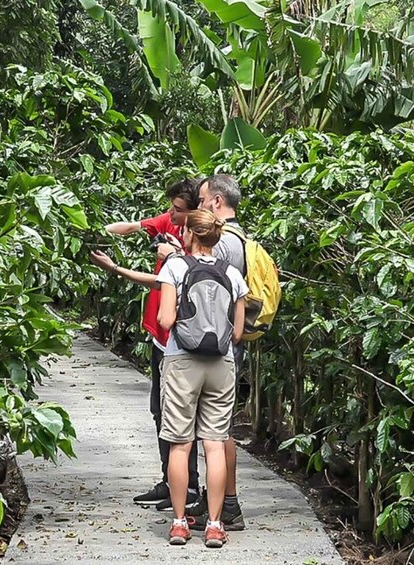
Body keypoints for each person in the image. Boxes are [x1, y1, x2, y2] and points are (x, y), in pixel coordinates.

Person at [94, 179, 202, 509]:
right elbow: (132, 228)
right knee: (160, 411)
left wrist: (173, 255)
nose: (171, 214)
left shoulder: (201, 244)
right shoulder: (169, 221)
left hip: (181, 343)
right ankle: (171, 481)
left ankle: (189, 488)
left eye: (179, 211)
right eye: (171, 207)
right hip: (161, 337)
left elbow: (169, 279)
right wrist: (95, 230)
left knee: (182, 418)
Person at [155, 174, 247, 531]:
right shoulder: (232, 275)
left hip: (182, 361)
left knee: (180, 444)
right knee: (214, 443)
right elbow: (237, 333)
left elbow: (165, 318)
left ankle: (179, 522)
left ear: (190, 234)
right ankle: (214, 524)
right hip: (221, 364)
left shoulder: (175, 266)